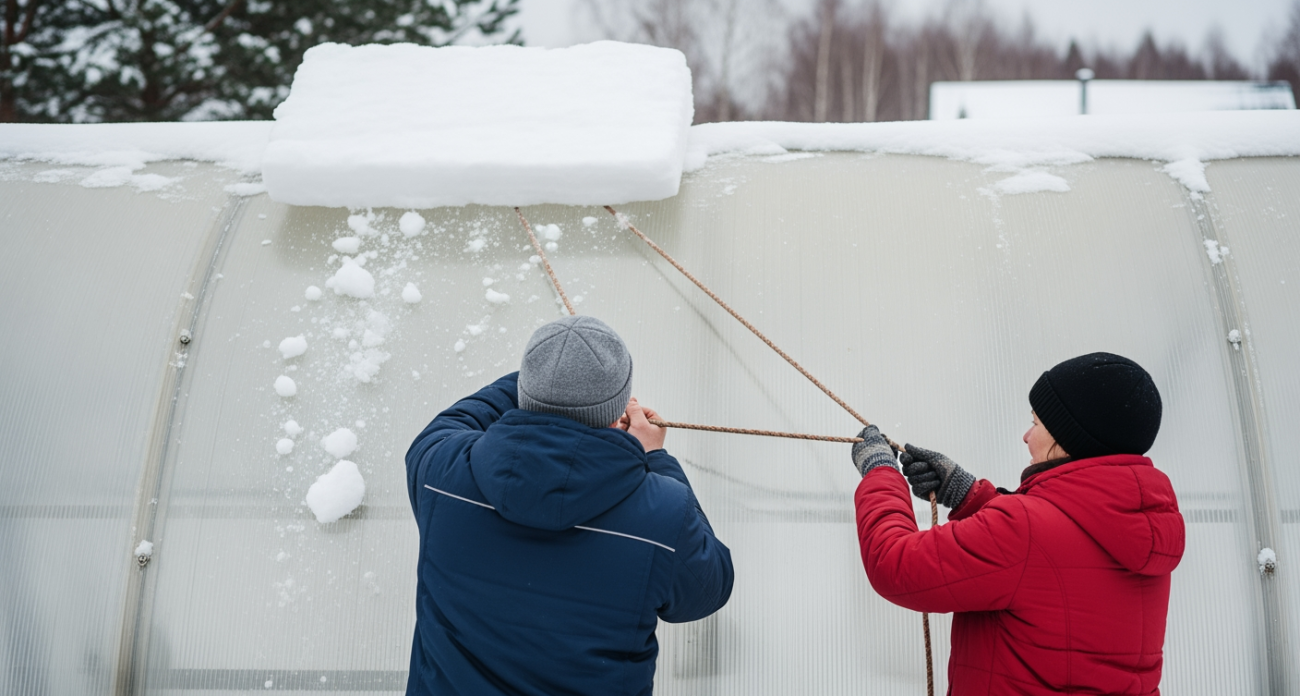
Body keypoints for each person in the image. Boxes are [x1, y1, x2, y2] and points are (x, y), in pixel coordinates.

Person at [404, 315, 734, 696]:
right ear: (617, 410)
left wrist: (547, 375)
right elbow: (707, 591)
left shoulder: (439, 471)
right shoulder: (663, 513)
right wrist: (655, 457)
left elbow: (457, 418)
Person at [851, 352, 1185, 695]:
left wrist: (881, 473)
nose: (1026, 436)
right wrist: (969, 496)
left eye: (1037, 423)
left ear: (1072, 438)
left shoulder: (1025, 531)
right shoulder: (1140, 527)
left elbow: (895, 564)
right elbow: (1057, 564)